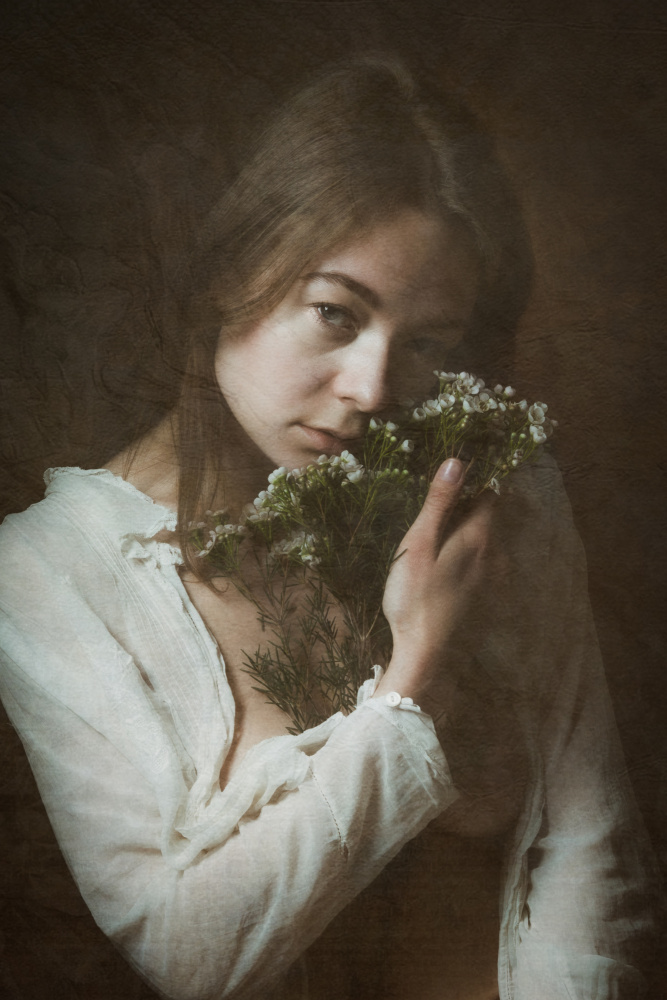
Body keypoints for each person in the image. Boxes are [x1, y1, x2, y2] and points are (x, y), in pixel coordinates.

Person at [0, 56, 658, 1000]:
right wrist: (411, 673)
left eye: (426, 341)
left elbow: (592, 843)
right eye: (333, 313)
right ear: (233, 269)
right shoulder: (52, 571)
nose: (374, 389)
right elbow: (190, 952)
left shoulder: (494, 489)